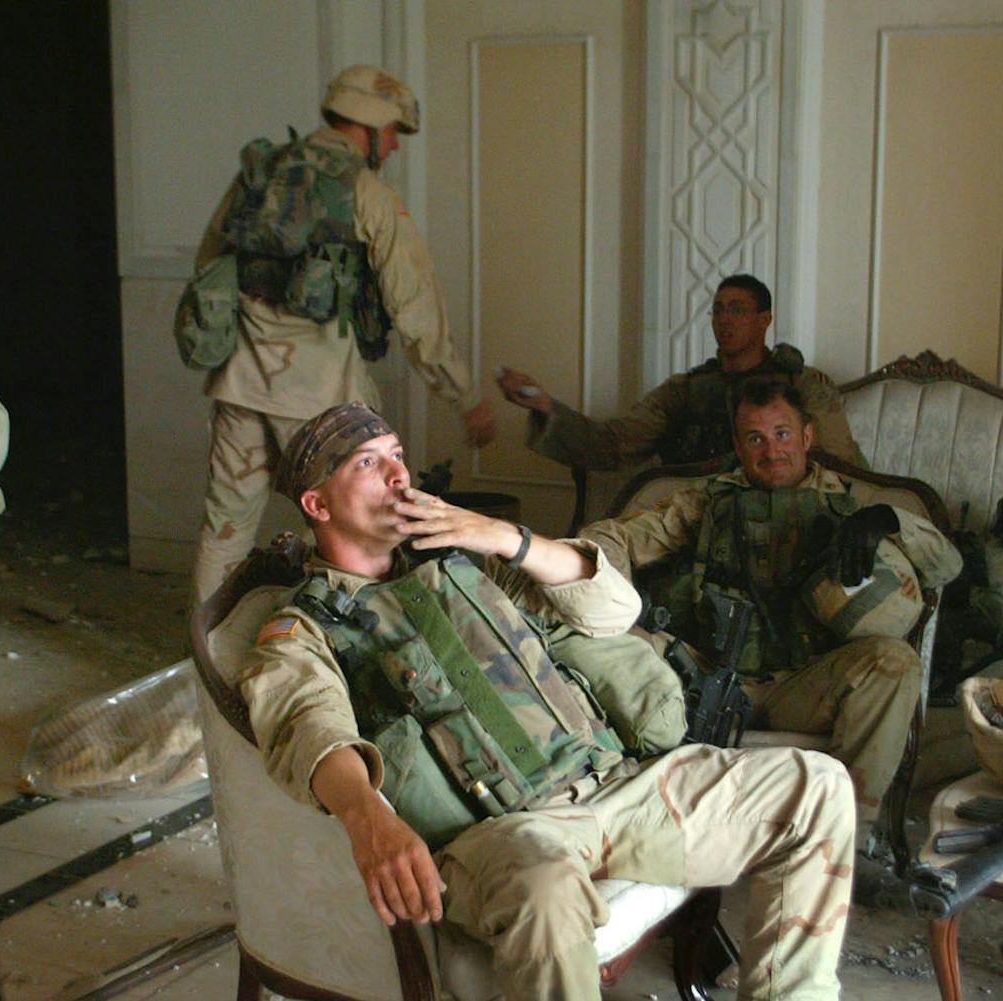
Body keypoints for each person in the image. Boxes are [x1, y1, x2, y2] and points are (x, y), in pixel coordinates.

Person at [238, 402, 856, 1000]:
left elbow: (617, 609)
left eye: (397, 454)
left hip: (620, 787)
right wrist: (366, 816)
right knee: (545, 884)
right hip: (505, 836)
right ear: (317, 504)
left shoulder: (467, 570)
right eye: (368, 463)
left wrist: (505, 537)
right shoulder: (304, 628)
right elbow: (308, 725)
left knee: (819, 786)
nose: (399, 474)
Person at [580, 378, 962, 832]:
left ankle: (847, 833)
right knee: (607, 646)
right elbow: (611, 538)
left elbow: (947, 565)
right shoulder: (704, 504)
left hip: (805, 684)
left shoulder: (849, 504)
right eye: (755, 438)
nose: (771, 451)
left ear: (807, 436)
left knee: (895, 662)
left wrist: (886, 521)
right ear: (738, 446)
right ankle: (623, 817)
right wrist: (616, 597)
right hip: (704, 677)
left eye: (782, 434)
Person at [191, 65, 495, 601]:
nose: (394, 146)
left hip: (240, 381)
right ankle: (355, 642)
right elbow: (416, 306)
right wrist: (464, 397)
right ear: (370, 125)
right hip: (321, 398)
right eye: (393, 132)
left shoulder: (260, 175)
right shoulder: (366, 192)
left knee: (226, 529)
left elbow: (209, 261)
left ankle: (206, 646)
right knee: (358, 529)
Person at [495, 273, 862, 470]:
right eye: (718, 310)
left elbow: (839, 464)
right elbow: (615, 444)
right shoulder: (684, 390)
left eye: (737, 310)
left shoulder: (802, 385)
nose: (724, 320)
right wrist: (546, 407)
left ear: (764, 319)